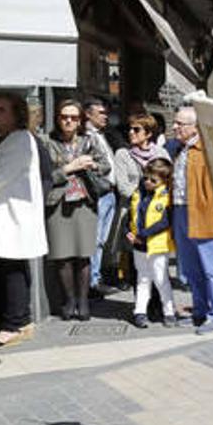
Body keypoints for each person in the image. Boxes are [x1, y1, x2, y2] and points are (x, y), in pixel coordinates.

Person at [0, 92, 47, 348]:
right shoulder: (2, 138)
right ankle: (21, 320)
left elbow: (2, 176)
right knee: (12, 266)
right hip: (6, 212)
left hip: (14, 213)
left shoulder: (20, 139)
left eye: (2, 110)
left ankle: (14, 325)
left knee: (12, 267)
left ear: (17, 113)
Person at [43, 99, 112, 322]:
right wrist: (68, 168)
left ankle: (83, 302)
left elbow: (106, 166)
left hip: (84, 202)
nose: (69, 121)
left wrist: (92, 164)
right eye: (64, 117)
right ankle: (69, 300)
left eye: (73, 117)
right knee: (62, 255)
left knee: (83, 255)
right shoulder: (47, 142)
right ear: (57, 119)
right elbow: (44, 176)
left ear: (80, 120)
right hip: (58, 202)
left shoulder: (89, 140)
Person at [170, 106, 213, 334]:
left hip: (203, 213)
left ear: (195, 127)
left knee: (212, 267)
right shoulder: (180, 149)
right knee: (191, 267)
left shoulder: (207, 149)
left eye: (180, 124)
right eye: (175, 122)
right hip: (180, 210)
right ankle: (200, 311)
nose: (175, 127)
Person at [125, 159, 178, 328]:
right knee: (142, 279)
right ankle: (140, 312)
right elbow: (131, 216)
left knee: (161, 280)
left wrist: (142, 235)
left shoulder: (166, 196)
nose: (148, 182)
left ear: (164, 180)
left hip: (157, 245)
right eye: (146, 178)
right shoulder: (139, 194)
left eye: (153, 180)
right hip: (139, 245)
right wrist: (129, 232)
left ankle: (169, 312)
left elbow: (164, 221)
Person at [83, 97, 120, 292]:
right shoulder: (87, 136)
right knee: (96, 239)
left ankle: (97, 277)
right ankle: (92, 281)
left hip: (109, 192)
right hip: (99, 192)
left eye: (106, 113)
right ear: (88, 115)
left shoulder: (101, 135)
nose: (105, 116)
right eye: (101, 113)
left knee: (103, 239)